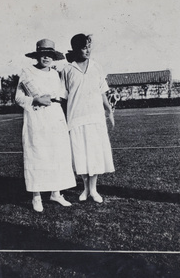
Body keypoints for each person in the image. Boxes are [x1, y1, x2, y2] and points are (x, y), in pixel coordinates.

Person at [15, 39, 76, 212]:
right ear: (38, 56)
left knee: (57, 153)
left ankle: (56, 193)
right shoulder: (27, 72)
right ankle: (36, 196)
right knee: (38, 153)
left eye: (50, 55)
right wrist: (35, 99)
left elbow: (61, 96)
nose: (46, 58)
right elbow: (18, 98)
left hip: (55, 116)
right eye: (43, 54)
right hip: (36, 116)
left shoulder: (55, 74)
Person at [60, 34, 115, 203]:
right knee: (81, 155)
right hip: (76, 118)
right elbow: (63, 98)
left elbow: (102, 93)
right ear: (76, 49)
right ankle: (85, 189)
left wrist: (109, 111)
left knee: (95, 154)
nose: (87, 50)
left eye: (89, 47)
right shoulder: (67, 70)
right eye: (84, 47)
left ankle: (94, 190)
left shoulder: (97, 67)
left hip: (95, 118)